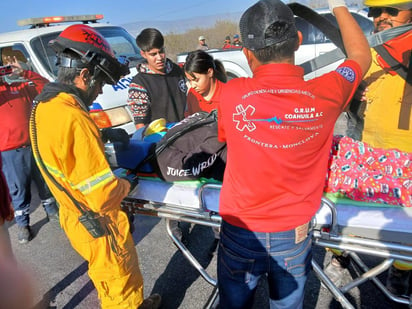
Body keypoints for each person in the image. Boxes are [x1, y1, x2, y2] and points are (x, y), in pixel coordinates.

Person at [216, 0, 371, 307]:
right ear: (298, 41)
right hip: (295, 232)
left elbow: (225, 138)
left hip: (241, 229)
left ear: (246, 53)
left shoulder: (232, 95)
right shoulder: (329, 91)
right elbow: (360, 56)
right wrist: (338, 5)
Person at [29, 24, 161, 309]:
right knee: (119, 280)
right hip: (99, 220)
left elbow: (61, 149)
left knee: (106, 277)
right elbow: (102, 195)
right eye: (100, 83)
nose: (100, 91)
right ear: (84, 75)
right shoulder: (75, 118)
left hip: (74, 216)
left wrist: (99, 136)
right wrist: (128, 182)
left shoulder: (45, 105)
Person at [326, 0, 412, 296]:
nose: (382, 17)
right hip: (367, 155)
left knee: (406, 224)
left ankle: (402, 271)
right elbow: (340, 93)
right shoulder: (368, 53)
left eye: (392, 10)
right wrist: (354, 93)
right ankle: (340, 255)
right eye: (375, 12)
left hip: (407, 158)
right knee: (351, 212)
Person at [0, 55, 59, 244]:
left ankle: (53, 213)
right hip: (10, 152)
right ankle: (23, 224)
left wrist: (23, 72)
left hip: (35, 145)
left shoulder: (21, 88)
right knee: (19, 189)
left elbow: (47, 87)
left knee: (44, 181)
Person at [127, 28, 187, 130]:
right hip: (163, 140)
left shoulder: (177, 71)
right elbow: (140, 124)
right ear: (143, 54)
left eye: (161, 52)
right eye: (153, 54)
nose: (159, 58)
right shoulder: (139, 84)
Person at [184, 49, 227, 117]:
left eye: (196, 80)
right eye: (190, 80)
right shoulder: (192, 95)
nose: (193, 86)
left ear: (210, 72)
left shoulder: (227, 95)